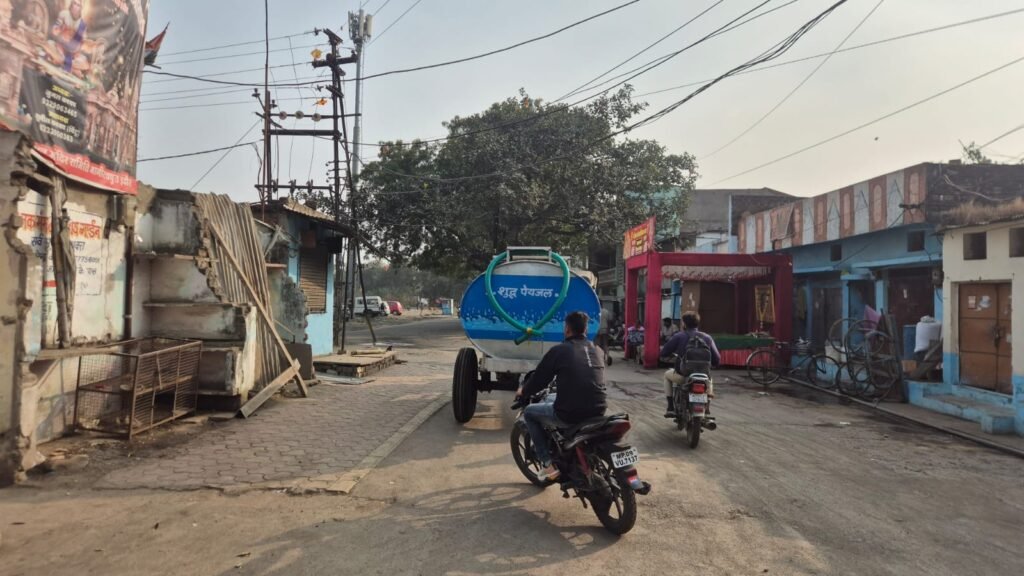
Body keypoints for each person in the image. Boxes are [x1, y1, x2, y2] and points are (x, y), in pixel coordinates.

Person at [516, 311, 607, 481]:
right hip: (599, 410)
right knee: (554, 399)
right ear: (586, 329)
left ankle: (547, 464)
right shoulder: (598, 350)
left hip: (570, 414)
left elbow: (539, 380)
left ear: (566, 329)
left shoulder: (560, 350)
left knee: (529, 412)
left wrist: (524, 391)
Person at [659, 311, 721, 418]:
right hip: (703, 378)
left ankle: (670, 407)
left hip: (684, 377)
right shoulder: (707, 338)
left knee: (667, 375)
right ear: (698, 323)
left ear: (684, 324)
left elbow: (664, 352)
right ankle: (707, 406)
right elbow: (717, 359)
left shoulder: (679, 336)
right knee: (710, 379)